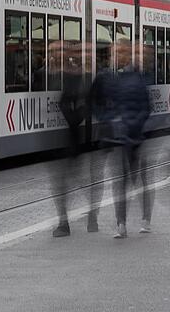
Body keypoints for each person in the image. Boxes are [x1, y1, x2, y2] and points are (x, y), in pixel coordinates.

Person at [101, 40, 153, 239]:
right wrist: (111, 120)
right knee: (121, 182)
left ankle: (145, 219)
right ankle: (121, 224)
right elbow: (109, 106)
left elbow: (146, 107)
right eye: (114, 53)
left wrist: (131, 125)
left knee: (138, 180)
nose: (115, 56)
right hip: (121, 138)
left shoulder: (136, 78)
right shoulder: (113, 78)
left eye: (118, 52)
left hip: (135, 137)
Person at [52, 42, 99, 236]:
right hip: (74, 139)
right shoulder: (72, 78)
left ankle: (90, 218)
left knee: (83, 182)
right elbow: (64, 102)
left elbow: (95, 103)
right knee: (64, 182)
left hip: (90, 139)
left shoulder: (94, 79)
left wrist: (78, 113)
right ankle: (66, 223)